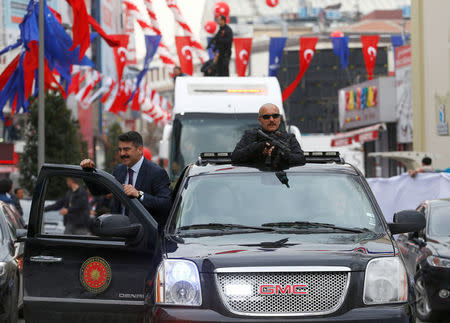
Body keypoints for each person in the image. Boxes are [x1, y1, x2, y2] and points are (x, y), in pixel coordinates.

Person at [80, 131, 172, 227]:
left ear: (140, 150)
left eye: (126, 149)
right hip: (120, 234)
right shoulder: (119, 170)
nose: (122, 153)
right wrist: (88, 172)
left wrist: (139, 194)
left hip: (146, 236)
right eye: (120, 150)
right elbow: (98, 191)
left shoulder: (156, 173)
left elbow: (165, 204)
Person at [231, 103, 306, 169]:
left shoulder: (289, 138)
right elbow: (235, 157)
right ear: (260, 120)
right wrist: (257, 148)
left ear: (279, 119)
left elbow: (301, 159)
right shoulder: (251, 135)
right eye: (266, 117)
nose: (271, 120)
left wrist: (283, 155)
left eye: (275, 116)